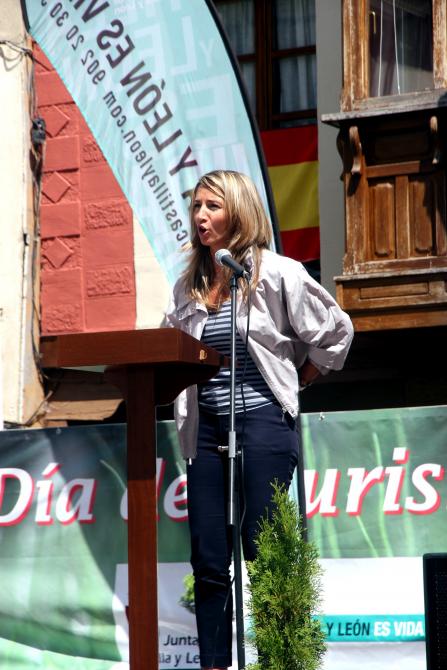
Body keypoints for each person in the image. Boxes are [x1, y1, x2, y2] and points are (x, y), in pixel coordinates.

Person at [164, 170, 353, 670]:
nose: (200, 216)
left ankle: (279, 660)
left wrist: (299, 380)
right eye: (197, 206)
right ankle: (213, 664)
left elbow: (337, 331)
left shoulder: (279, 274)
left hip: (264, 422)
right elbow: (168, 350)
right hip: (206, 430)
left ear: (239, 211)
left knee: (262, 548)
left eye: (212, 206)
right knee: (208, 557)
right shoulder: (188, 286)